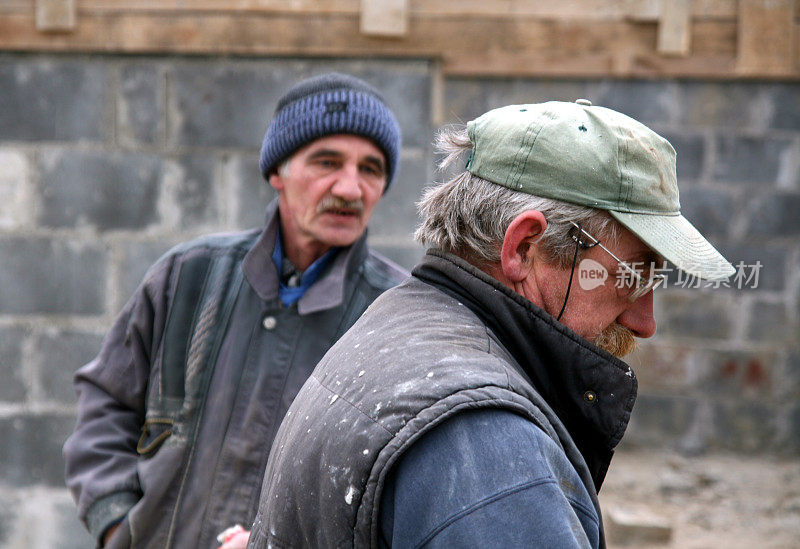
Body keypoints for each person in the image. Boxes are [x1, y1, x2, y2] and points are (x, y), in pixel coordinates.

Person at [247, 100, 736, 548]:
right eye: (631, 274)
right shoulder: (487, 446)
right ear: (525, 247)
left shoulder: (396, 324)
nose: (644, 320)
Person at [63, 72, 408, 549]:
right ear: (277, 173)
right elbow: (106, 404)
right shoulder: (188, 276)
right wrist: (118, 523)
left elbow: (398, 488)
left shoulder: (396, 317)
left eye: (370, 169)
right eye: (327, 161)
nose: (350, 188)